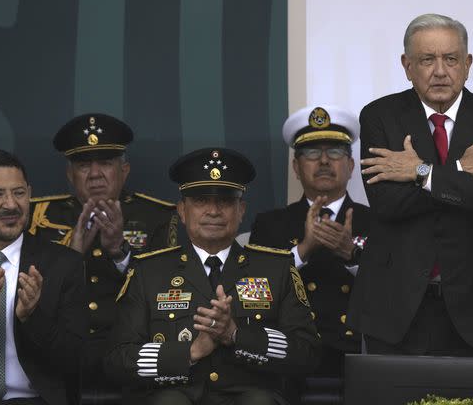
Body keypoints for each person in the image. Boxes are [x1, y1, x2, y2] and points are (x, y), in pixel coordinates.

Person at [349, 13, 473, 356]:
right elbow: (388, 202)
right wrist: (464, 170)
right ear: (407, 65)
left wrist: (419, 173)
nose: (440, 71)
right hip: (395, 301)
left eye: (450, 59)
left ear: (468, 63)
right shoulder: (380, 116)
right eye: (427, 60)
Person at [105, 147, 320, 404]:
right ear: (182, 211)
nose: (214, 211)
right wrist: (191, 351)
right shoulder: (148, 271)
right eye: (201, 200)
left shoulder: (276, 268)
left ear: (241, 210)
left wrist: (237, 335)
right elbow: (117, 360)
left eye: (226, 201)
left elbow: (307, 354)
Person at [27, 113, 178, 391]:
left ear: (124, 171)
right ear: (70, 175)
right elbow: (25, 295)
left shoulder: (158, 216)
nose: (95, 174)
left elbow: (167, 293)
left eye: (106, 163)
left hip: (127, 351)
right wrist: (72, 256)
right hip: (60, 350)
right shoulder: (37, 217)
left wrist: (119, 252)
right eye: (84, 165)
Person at [250, 105, 373, 380]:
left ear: (351, 165)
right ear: (296, 167)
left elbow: (395, 291)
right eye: (312, 153)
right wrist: (302, 250)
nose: (324, 161)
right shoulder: (270, 224)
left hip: (356, 352)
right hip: (290, 355)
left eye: (335, 152)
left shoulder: (377, 222)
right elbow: (253, 296)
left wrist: (351, 254)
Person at [0, 149, 86, 405]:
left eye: (19, 193)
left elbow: (77, 360)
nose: (11, 204)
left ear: (30, 194)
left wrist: (33, 318)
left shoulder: (63, 264)